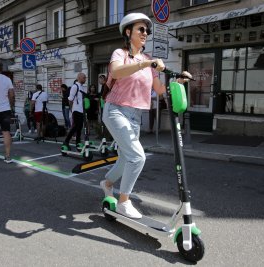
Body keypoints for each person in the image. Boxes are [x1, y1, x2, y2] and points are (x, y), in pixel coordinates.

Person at [99, 13, 192, 219]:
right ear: (128, 31)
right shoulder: (120, 54)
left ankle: (106, 183)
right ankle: (124, 201)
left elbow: (159, 89)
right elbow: (116, 73)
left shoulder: (149, 60)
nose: (145, 33)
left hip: (135, 115)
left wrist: (178, 82)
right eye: (141, 29)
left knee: (125, 159)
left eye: (147, 30)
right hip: (115, 110)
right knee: (138, 157)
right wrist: (144, 64)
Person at [63, 73, 87, 149]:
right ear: (79, 78)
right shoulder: (75, 86)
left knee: (79, 127)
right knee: (75, 127)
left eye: (85, 78)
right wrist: (71, 110)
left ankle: (78, 142)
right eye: (84, 78)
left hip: (81, 110)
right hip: (76, 110)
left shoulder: (81, 87)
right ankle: (66, 141)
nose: (85, 79)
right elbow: (70, 99)